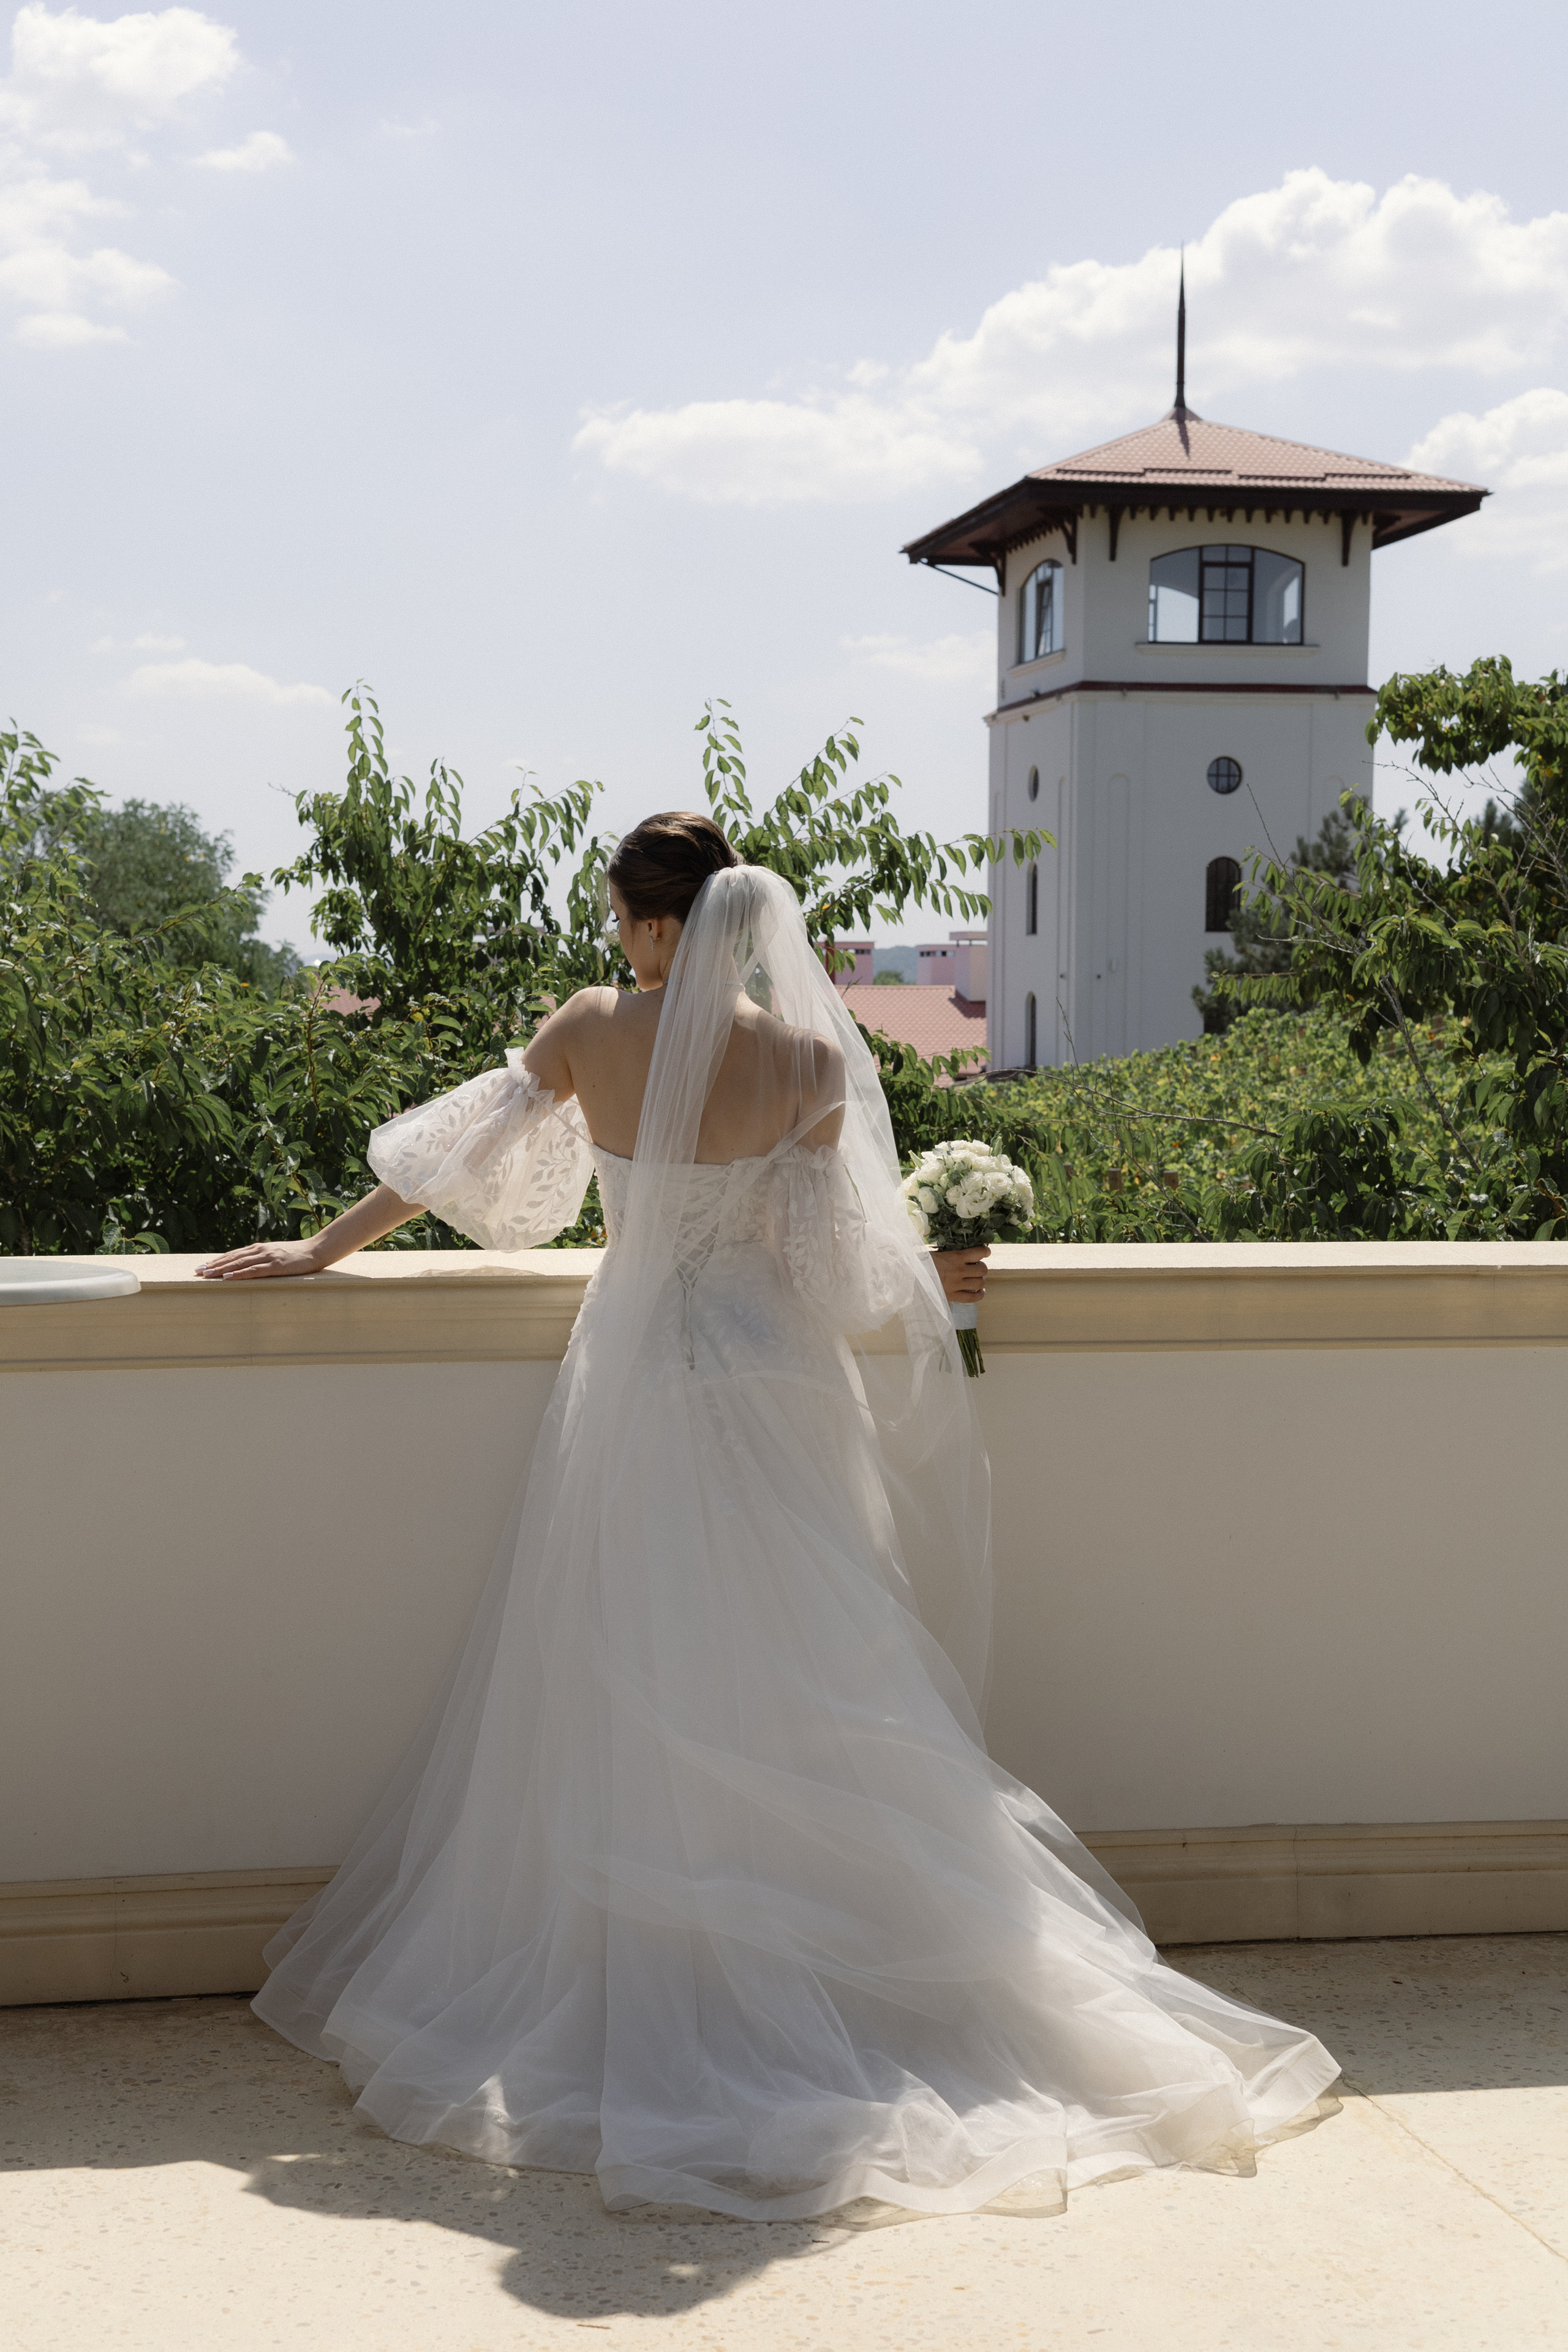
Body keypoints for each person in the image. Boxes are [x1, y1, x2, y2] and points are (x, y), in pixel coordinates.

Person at [198, 814, 1338, 2220]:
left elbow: (452, 1165)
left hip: (635, 1380)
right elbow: (830, 1277)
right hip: (773, 1382)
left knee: (637, 1654)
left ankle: (671, 1961)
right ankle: (842, 1960)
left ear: (656, 923)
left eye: (621, 915)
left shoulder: (587, 1028)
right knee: (812, 1665)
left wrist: (317, 1248)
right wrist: (935, 1275)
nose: (615, 937)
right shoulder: (807, 1061)